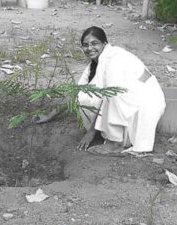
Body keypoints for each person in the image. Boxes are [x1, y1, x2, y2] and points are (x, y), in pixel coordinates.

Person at [36, 26, 166, 155]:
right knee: (84, 95)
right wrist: (49, 116)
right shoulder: (95, 63)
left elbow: (112, 94)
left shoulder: (111, 59)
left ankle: (115, 142)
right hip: (136, 98)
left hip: (146, 103)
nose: (89, 48)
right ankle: (106, 131)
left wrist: (90, 133)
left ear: (104, 43)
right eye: (85, 45)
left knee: (109, 94)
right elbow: (76, 91)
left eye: (94, 43)